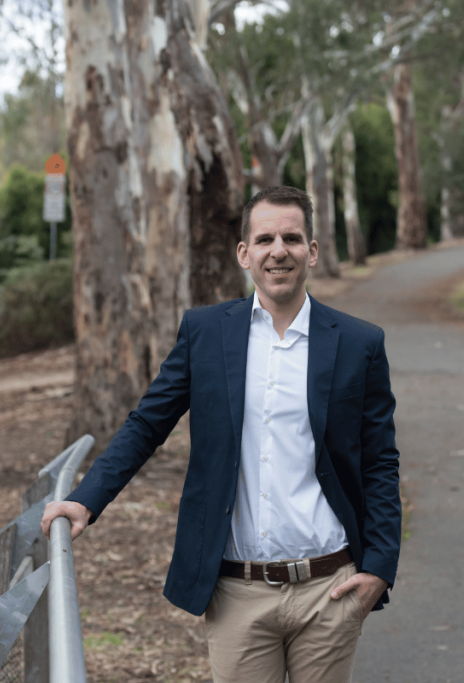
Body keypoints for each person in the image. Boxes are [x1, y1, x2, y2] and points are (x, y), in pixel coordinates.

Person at [41, 185, 401, 683]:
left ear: (312, 251)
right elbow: (148, 423)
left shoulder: (360, 343)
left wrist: (379, 568)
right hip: (237, 591)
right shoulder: (206, 334)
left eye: (293, 238)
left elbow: (380, 460)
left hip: (330, 588)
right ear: (245, 253)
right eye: (266, 239)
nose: (279, 251)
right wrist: (85, 500)